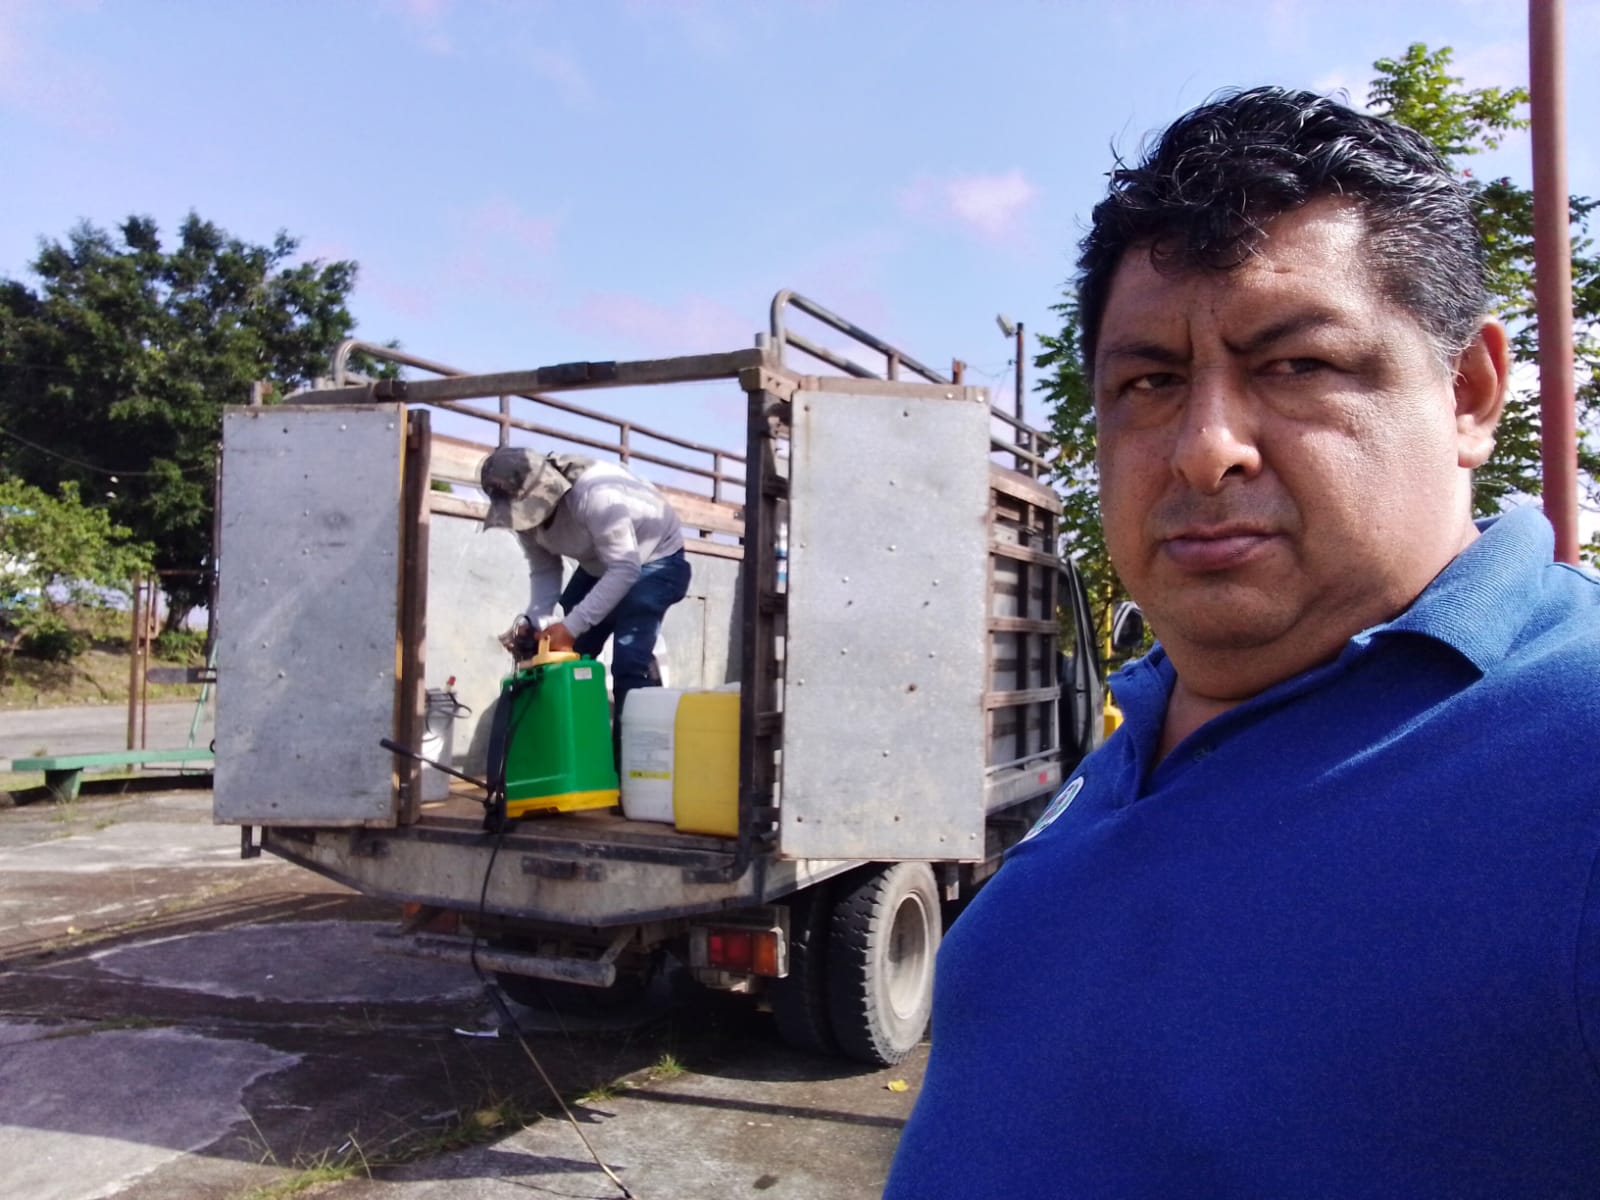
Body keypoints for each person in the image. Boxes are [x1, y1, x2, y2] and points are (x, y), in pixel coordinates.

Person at [885, 87, 1600, 1199]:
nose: (1202, 448)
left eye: (1295, 364)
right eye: (1149, 383)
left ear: (1468, 393)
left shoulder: (1574, 750)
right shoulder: (1144, 720)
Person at [479, 446, 690, 753]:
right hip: (603, 563)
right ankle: (576, 756)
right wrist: (536, 622)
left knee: (629, 664)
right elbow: (544, 568)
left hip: (657, 559)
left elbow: (625, 568)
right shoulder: (522, 518)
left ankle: (632, 766)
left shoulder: (595, 494)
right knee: (566, 656)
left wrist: (570, 627)